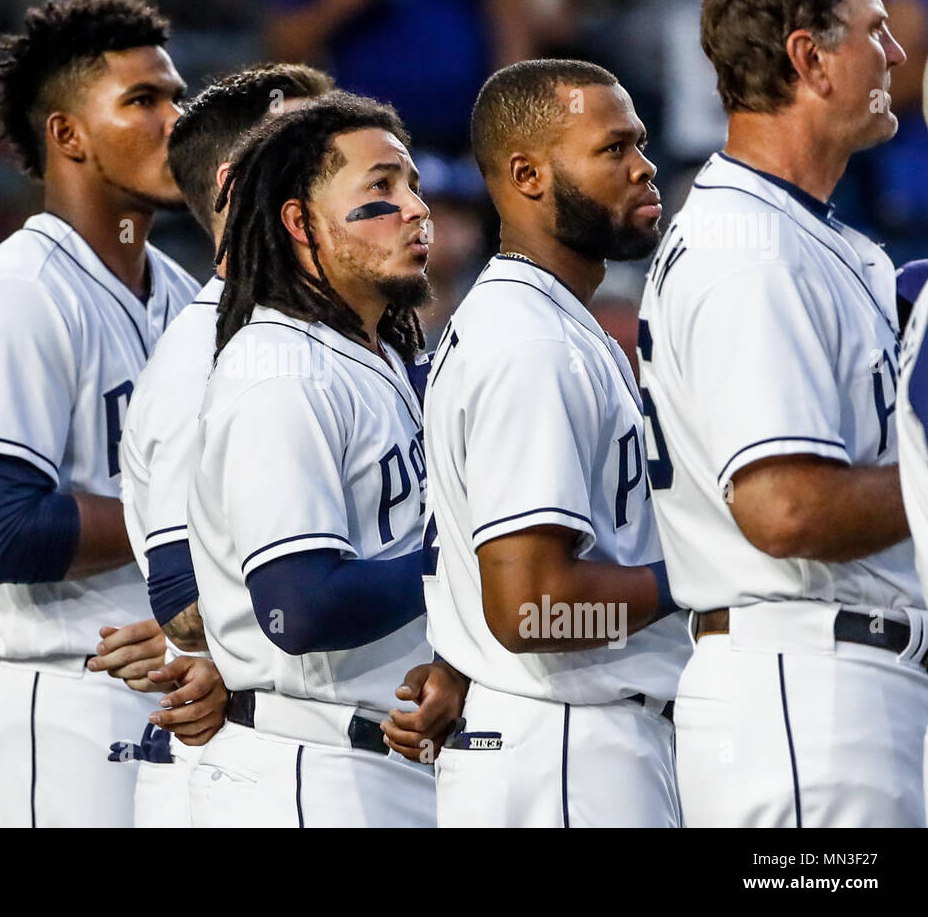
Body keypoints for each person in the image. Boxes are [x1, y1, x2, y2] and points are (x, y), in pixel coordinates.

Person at [640, 0, 927, 827]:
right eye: (874, 29)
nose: (893, 52)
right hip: (806, 694)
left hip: (836, 688)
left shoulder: (801, 234)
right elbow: (784, 507)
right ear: (809, 57)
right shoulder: (749, 246)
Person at [0, 0, 200, 828]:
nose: (175, 121)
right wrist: (199, 524)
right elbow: (4, 529)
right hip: (63, 704)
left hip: (164, 687)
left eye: (177, 98)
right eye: (142, 101)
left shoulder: (188, 295)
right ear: (68, 136)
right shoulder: (17, 295)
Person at [186, 93, 466, 828]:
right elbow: (297, 604)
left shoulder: (373, 356)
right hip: (308, 771)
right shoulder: (280, 369)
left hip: (380, 760)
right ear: (299, 223)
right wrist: (477, 561)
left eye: (412, 184)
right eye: (380, 189)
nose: (415, 209)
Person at [425, 59, 689, 828]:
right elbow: (534, 610)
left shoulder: (546, 320)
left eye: (640, 144)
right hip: (567, 750)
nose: (644, 168)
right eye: (613, 149)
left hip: (561, 738)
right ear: (527, 175)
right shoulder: (529, 339)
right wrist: (701, 575)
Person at [119, 62, 335, 827]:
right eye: (319, 148)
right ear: (238, 184)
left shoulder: (330, 339)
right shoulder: (204, 353)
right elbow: (181, 603)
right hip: (247, 758)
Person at [267, 0, 531, 153]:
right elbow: (283, 44)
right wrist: (341, 2)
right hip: (357, 136)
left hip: (459, 134)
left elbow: (510, 21)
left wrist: (506, 125)